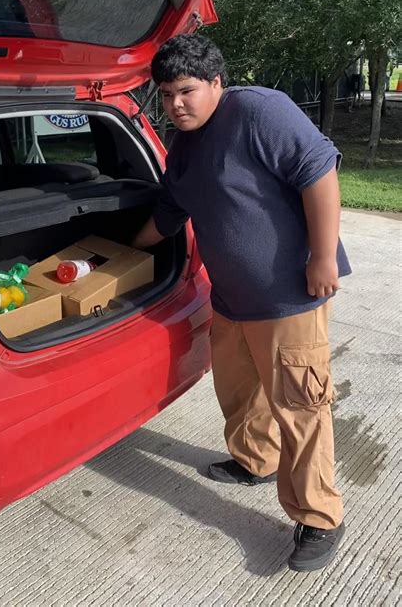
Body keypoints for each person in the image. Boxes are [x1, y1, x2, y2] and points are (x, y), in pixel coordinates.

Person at [133, 34, 351, 573]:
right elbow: (169, 211)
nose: (175, 104)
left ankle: (320, 516)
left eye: (186, 91)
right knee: (238, 390)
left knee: (299, 407)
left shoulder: (259, 111)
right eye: (165, 95)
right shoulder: (184, 143)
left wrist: (322, 257)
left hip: (289, 297)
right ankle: (254, 461)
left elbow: (320, 173)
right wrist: (118, 252)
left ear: (215, 83)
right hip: (230, 298)